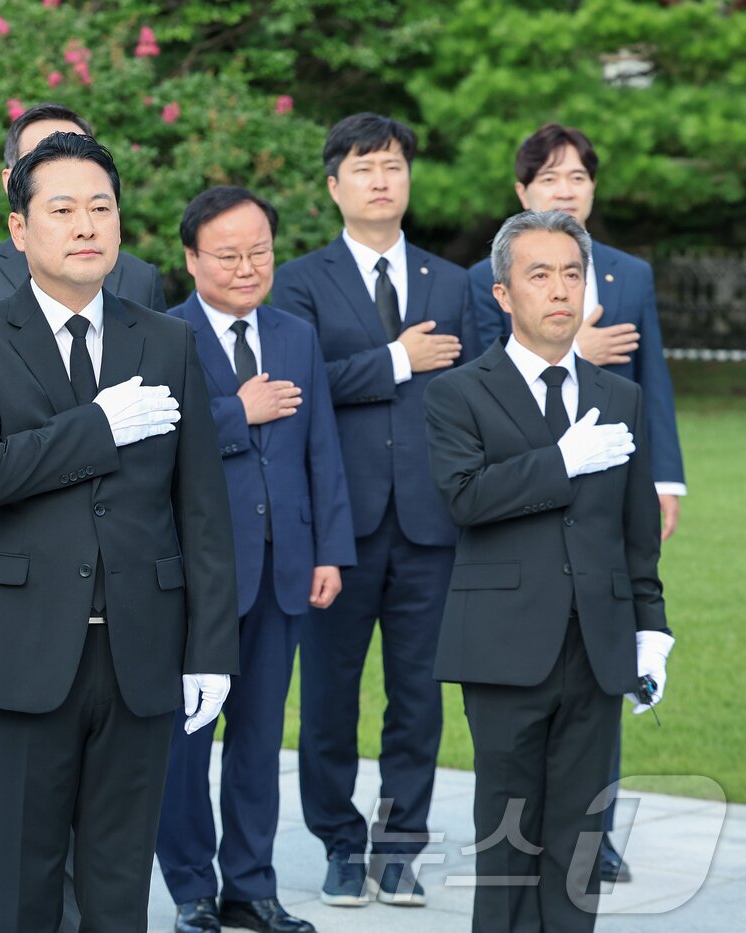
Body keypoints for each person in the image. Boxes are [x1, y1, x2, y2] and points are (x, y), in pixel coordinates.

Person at [0, 130, 238, 933]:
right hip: (23, 650)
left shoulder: (166, 338)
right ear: (19, 229)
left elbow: (201, 504)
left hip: (140, 652)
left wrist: (210, 646)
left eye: (100, 207)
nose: (85, 225)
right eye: (62, 208)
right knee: (24, 884)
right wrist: (96, 427)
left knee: (117, 886)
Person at [424, 209, 673, 933]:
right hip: (504, 648)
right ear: (504, 293)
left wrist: (650, 629)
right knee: (508, 838)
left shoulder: (618, 396)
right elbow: (463, 499)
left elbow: (635, 534)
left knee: (579, 839)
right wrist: (559, 462)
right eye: (540, 274)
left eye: (572, 273)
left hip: (597, 646)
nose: (560, 289)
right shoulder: (459, 392)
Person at [466, 126, 686, 882]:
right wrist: (571, 354)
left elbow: (650, 381)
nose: (567, 189)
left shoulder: (628, 273)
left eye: (579, 177)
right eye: (551, 178)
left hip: (611, 487)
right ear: (523, 192)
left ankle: (598, 827)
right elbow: (478, 382)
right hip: (523, 510)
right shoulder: (485, 279)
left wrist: (667, 480)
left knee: (606, 644)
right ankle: (530, 842)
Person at [272, 112, 477, 908]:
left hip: (431, 524)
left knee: (419, 696)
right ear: (334, 186)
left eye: (392, 166)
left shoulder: (452, 282)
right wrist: (397, 359)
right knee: (329, 693)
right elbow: (305, 384)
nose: (381, 180)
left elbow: (474, 390)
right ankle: (337, 841)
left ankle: (399, 847)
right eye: (363, 168)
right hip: (338, 525)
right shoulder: (298, 281)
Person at [156, 187, 355, 933]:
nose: (247, 267)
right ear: (191, 259)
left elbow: (321, 448)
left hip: (283, 566)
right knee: (186, 740)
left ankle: (252, 884)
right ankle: (191, 889)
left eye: (260, 251)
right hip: (198, 575)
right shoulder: (164, 334)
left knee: (259, 735)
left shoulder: (295, 333)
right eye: (229, 254)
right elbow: (159, 441)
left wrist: (329, 548)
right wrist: (240, 410)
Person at [0, 101, 168, 597]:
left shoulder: (138, 276)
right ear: (11, 183)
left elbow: (156, 414)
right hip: (5, 533)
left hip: (124, 534)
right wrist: (100, 428)